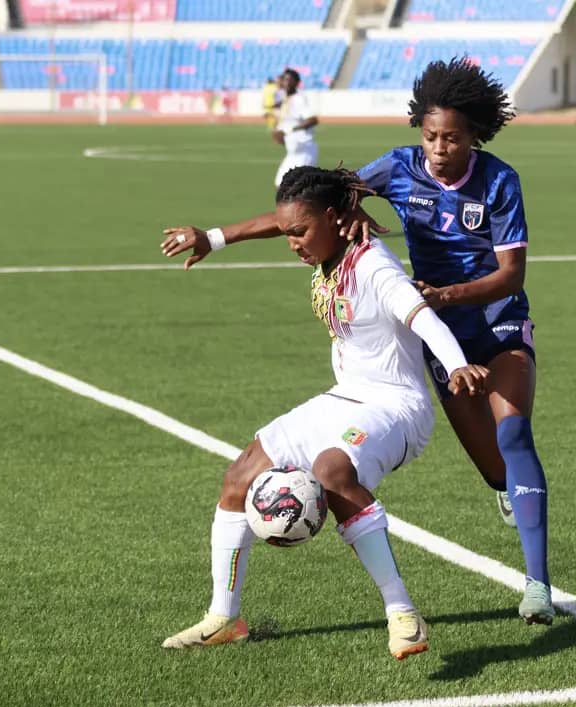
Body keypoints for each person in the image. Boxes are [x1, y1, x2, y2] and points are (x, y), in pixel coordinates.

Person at [160, 57, 555, 626]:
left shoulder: (499, 181)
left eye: (452, 138)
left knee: (514, 433)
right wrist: (219, 236)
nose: (439, 148)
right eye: (430, 136)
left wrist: (447, 295)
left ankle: (538, 585)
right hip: (439, 337)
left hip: (493, 320)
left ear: (476, 136)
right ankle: (505, 487)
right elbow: (312, 205)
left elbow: (511, 275)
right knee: (495, 468)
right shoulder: (400, 167)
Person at [159, 166, 488, 659]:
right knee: (239, 477)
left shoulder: (374, 265)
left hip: (397, 406)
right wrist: (212, 237)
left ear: (335, 218)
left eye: (300, 232)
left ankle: (402, 613)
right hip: (345, 396)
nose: (291, 241)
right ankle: (223, 617)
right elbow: (282, 220)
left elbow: (421, 315)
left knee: (331, 471)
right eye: (288, 231)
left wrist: (457, 365)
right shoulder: (323, 239)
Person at [272, 68, 319, 188]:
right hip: (292, 153)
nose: (286, 82)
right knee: (280, 186)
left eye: (289, 80)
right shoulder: (284, 100)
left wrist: (289, 131)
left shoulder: (299, 99)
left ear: (297, 83)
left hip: (304, 152)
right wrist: (280, 136)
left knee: (295, 189)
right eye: (284, 79)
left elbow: (313, 120)